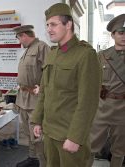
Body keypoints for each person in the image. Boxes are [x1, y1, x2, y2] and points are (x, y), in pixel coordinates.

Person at [31, 3, 102, 167]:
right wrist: (37, 120)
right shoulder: (52, 54)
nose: (49, 29)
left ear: (68, 24)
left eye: (53, 24)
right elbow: (44, 92)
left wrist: (75, 137)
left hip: (69, 135)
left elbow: (88, 102)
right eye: (47, 25)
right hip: (50, 132)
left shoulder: (85, 55)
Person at [87, 14, 125, 167]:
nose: (124, 36)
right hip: (102, 108)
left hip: (123, 110)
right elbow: (89, 81)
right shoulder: (100, 56)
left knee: (120, 150)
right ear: (113, 34)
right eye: (121, 32)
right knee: (90, 146)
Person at [13, 25, 50, 167]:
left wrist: (43, 87)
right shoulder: (28, 50)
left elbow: (50, 71)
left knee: (37, 134)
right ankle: (33, 158)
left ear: (24, 35)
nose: (19, 42)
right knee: (29, 133)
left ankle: (43, 162)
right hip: (23, 98)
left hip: (35, 100)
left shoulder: (41, 47)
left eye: (19, 38)